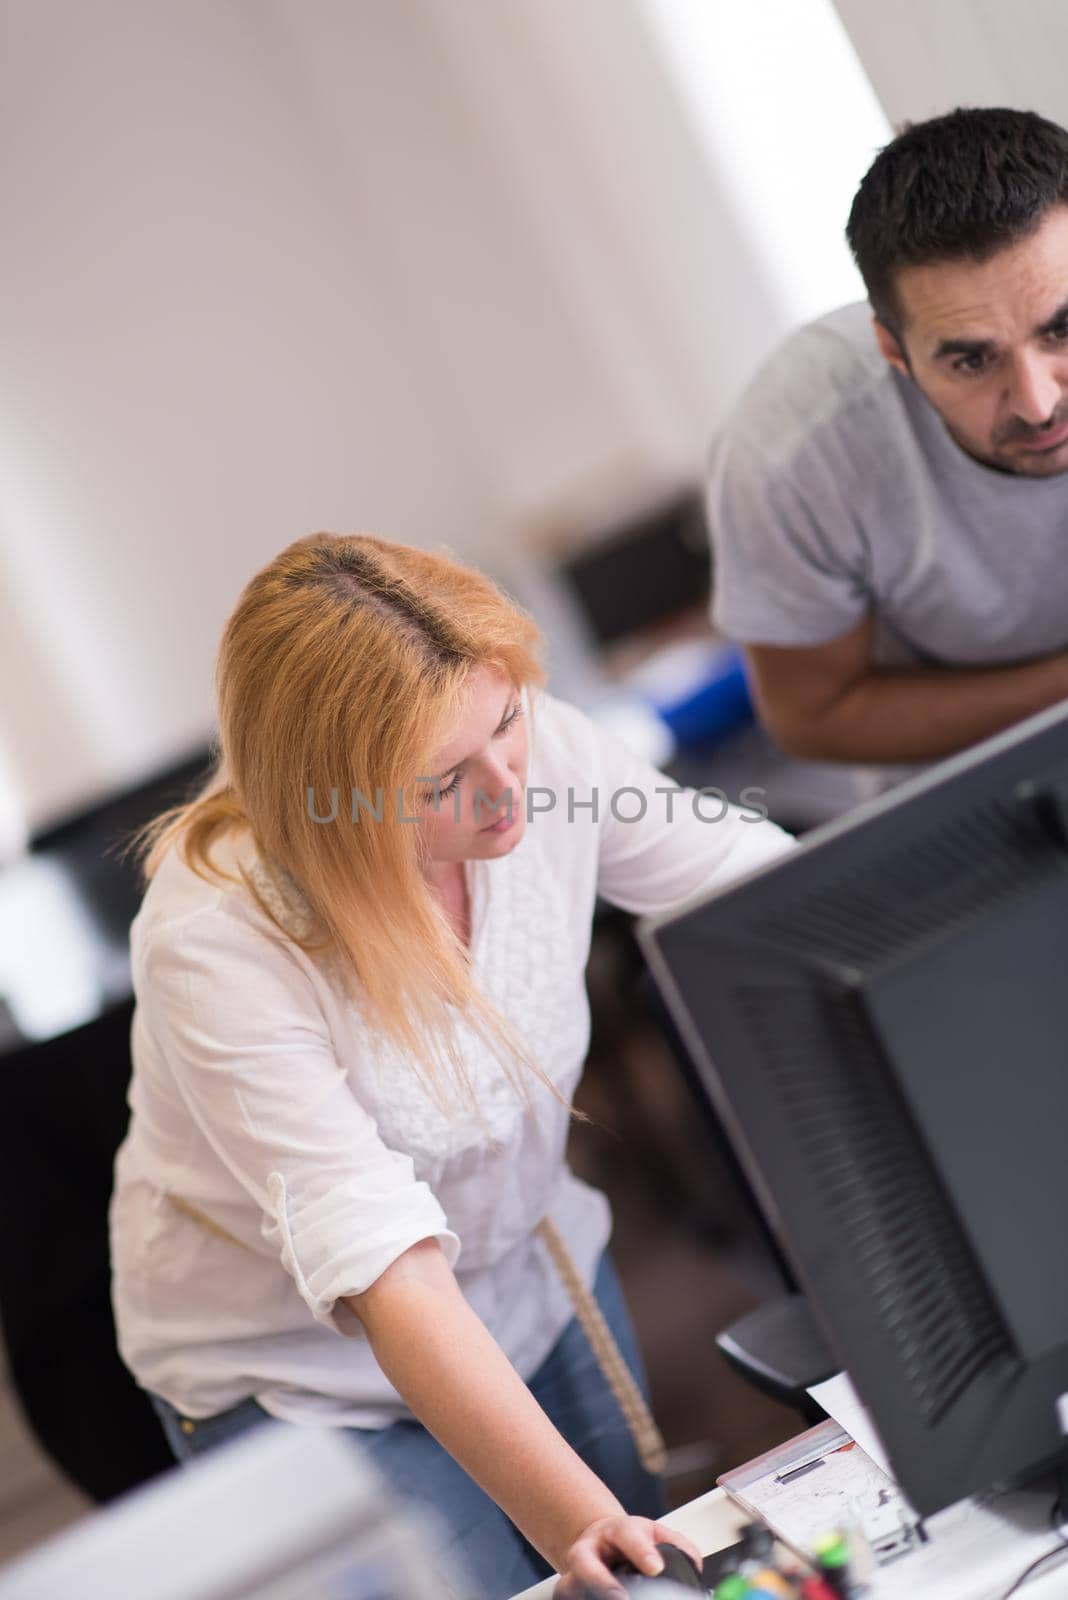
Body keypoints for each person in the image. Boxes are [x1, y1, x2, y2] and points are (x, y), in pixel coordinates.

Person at [110, 532, 792, 1600]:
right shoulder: (217, 942)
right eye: (440, 779)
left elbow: (776, 900)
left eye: (508, 719)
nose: (507, 790)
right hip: (299, 1375)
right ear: (328, 798)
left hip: (529, 1268)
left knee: (654, 1567)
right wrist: (580, 1529)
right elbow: (392, 1277)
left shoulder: (540, 756)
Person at [707, 106, 1068, 774]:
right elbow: (813, 712)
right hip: (984, 801)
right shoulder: (796, 451)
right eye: (972, 361)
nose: (1039, 402)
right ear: (892, 351)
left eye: (1062, 330)